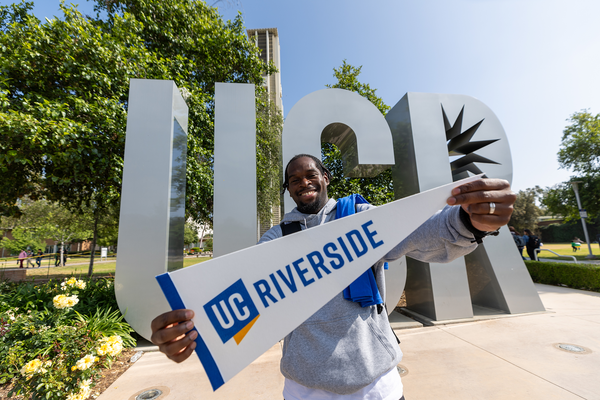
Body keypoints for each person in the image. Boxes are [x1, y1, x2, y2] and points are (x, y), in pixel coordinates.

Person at [150, 154, 516, 400]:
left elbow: (420, 232)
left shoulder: (358, 217)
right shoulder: (275, 241)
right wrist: (188, 333)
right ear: (289, 190)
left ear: (325, 178)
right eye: (293, 179)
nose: (302, 182)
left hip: (376, 384)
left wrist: (469, 221)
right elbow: (241, 302)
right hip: (305, 388)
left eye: (310, 174)